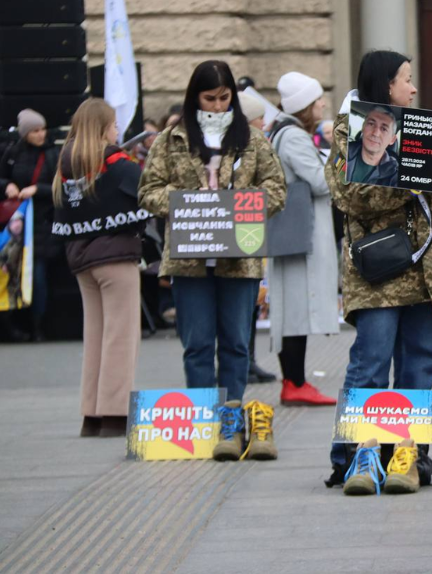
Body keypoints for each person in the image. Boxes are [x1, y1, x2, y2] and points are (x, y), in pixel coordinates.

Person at [324, 50, 432, 494]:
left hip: (427, 270)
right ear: (386, 85)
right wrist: (410, 176)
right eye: (406, 79)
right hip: (379, 272)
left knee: (421, 363)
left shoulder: (424, 126)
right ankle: (359, 456)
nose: (414, 87)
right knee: (371, 361)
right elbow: (351, 196)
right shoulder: (351, 126)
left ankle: (409, 454)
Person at [139, 60, 287, 459]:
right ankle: (204, 420)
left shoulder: (252, 140)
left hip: (240, 256)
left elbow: (276, 186)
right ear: (195, 98)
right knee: (198, 343)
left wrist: (248, 205)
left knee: (237, 343)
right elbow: (147, 190)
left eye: (225, 98)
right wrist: (182, 202)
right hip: (189, 257)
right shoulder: (170, 139)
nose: (219, 106)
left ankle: (232, 423)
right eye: (210, 98)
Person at [51, 98, 143, 437]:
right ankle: (116, 414)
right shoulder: (118, 163)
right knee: (121, 336)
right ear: (104, 127)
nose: (118, 129)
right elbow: (145, 194)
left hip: (81, 258)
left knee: (96, 335)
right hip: (116, 256)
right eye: (115, 124)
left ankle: (91, 415)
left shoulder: (66, 164)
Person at [268, 71, 338, 406]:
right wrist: (338, 160)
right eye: (318, 100)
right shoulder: (294, 137)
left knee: (296, 307)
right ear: (305, 107)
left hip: (295, 233)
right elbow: (321, 182)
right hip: (302, 235)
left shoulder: (284, 132)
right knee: (297, 309)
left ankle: (295, 380)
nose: (323, 104)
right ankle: (294, 382)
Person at [0, 109, 60, 341]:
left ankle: (37, 326)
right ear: (25, 133)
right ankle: (14, 326)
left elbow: (61, 186)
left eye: (42, 129)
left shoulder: (54, 154)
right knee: (10, 274)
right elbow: (3, 177)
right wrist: (7, 186)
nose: (40, 134)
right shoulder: (12, 153)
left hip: (42, 224)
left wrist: (37, 190)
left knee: (38, 277)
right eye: (35, 130)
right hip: (15, 224)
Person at [237, 90, 278, 385]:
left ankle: (249, 360)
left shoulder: (259, 147)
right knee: (240, 305)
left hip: (253, 230)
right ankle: (240, 361)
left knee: (252, 301)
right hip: (239, 233)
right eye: (259, 118)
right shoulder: (239, 150)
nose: (264, 123)